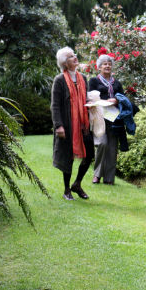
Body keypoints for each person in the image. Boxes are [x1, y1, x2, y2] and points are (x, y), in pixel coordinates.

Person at [51, 47, 94, 201]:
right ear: (64, 62)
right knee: (67, 157)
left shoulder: (83, 77)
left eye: (74, 55)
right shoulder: (59, 80)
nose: (75, 57)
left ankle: (77, 184)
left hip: (83, 125)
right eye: (70, 56)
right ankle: (67, 189)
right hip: (68, 125)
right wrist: (58, 126)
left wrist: (92, 103)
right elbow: (55, 105)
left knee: (90, 155)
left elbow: (85, 99)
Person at [88, 54, 123, 184]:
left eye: (109, 63)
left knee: (112, 147)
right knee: (102, 144)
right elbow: (90, 97)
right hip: (99, 117)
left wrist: (116, 100)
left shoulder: (117, 83)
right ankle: (97, 174)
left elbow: (123, 98)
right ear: (99, 67)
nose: (107, 66)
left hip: (114, 119)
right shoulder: (93, 81)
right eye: (104, 64)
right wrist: (104, 101)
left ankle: (109, 178)